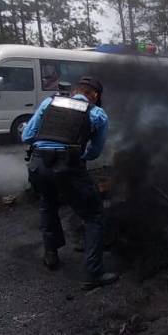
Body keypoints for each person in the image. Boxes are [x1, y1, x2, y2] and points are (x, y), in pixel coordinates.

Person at [22, 76, 118, 288]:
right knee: (94, 216)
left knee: (48, 206)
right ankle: (94, 272)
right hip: (67, 167)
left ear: (75, 90)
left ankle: (51, 255)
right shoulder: (97, 113)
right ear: (95, 96)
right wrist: (77, 156)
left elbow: (27, 136)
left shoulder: (50, 102)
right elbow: (94, 152)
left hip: (38, 165)